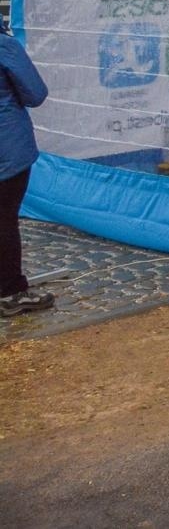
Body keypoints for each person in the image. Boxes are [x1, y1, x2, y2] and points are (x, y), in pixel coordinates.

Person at [0, 20, 52, 317]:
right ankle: (11, 292)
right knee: (5, 220)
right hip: (8, 150)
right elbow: (35, 93)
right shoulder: (4, 45)